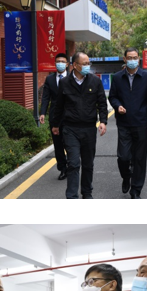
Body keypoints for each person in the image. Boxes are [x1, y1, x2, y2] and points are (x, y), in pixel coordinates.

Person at [52, 52, 108, 199]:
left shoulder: (95, 82)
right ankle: (71, 196)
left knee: (88, 164)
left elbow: (102, 103)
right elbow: (59, 106)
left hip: (89, 129)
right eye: (84, 63)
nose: (87, 66)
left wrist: (103, 121)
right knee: (73, 163)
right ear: (75, 65)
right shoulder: (65, 83)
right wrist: (56, 125)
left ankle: (87, 192)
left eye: (88, 63)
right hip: (70, 129)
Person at [108, 47, 147, 199]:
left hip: (141, 122)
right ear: (124, 59)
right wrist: (117, 106)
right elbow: (112, 96)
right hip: (124, 123)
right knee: (123, 157)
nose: (132, 60)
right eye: (129, 58)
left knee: (139, 158)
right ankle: (126, 176)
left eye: (135, 57)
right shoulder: (117, 77)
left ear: (139, 59)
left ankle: (136, 189)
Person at [39, 53, 69, 180]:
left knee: (69, 143)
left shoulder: (72, 78)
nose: (60, 63)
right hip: (55, 117)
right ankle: (62, 169)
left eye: (62, 61)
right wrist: (42, 113)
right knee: (58, 145)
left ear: (67, 64)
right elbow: (45, 97)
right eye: (58, 61)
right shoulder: (50, 79)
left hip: (69, 116)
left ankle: (72, 165)